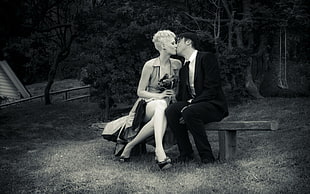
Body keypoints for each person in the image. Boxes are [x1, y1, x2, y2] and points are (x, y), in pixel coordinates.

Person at [119, 30, 182, 170]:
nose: (176, 45)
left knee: (162, 111)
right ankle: (159, 150)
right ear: (163, 46)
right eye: (173, 43)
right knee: (160, 105)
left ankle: (129, 146)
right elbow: (140, 92)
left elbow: (179, 88)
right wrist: (159, 96)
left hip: (168, 104)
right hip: (148, 105)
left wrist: (174, 95)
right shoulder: (149, 65)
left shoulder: (177, 64)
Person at [165, 32, 229, 164]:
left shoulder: (206, 58)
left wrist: (191, 104)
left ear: (188, 42)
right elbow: (184, 96)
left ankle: (207, 157)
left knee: (189, 111)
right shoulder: (184, 69)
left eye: (178, 41)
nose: (176, 44)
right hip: (195, 106)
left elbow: (212, 88)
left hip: (213, 105)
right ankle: (186, 154)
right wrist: (173, 95)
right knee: (171, 110)